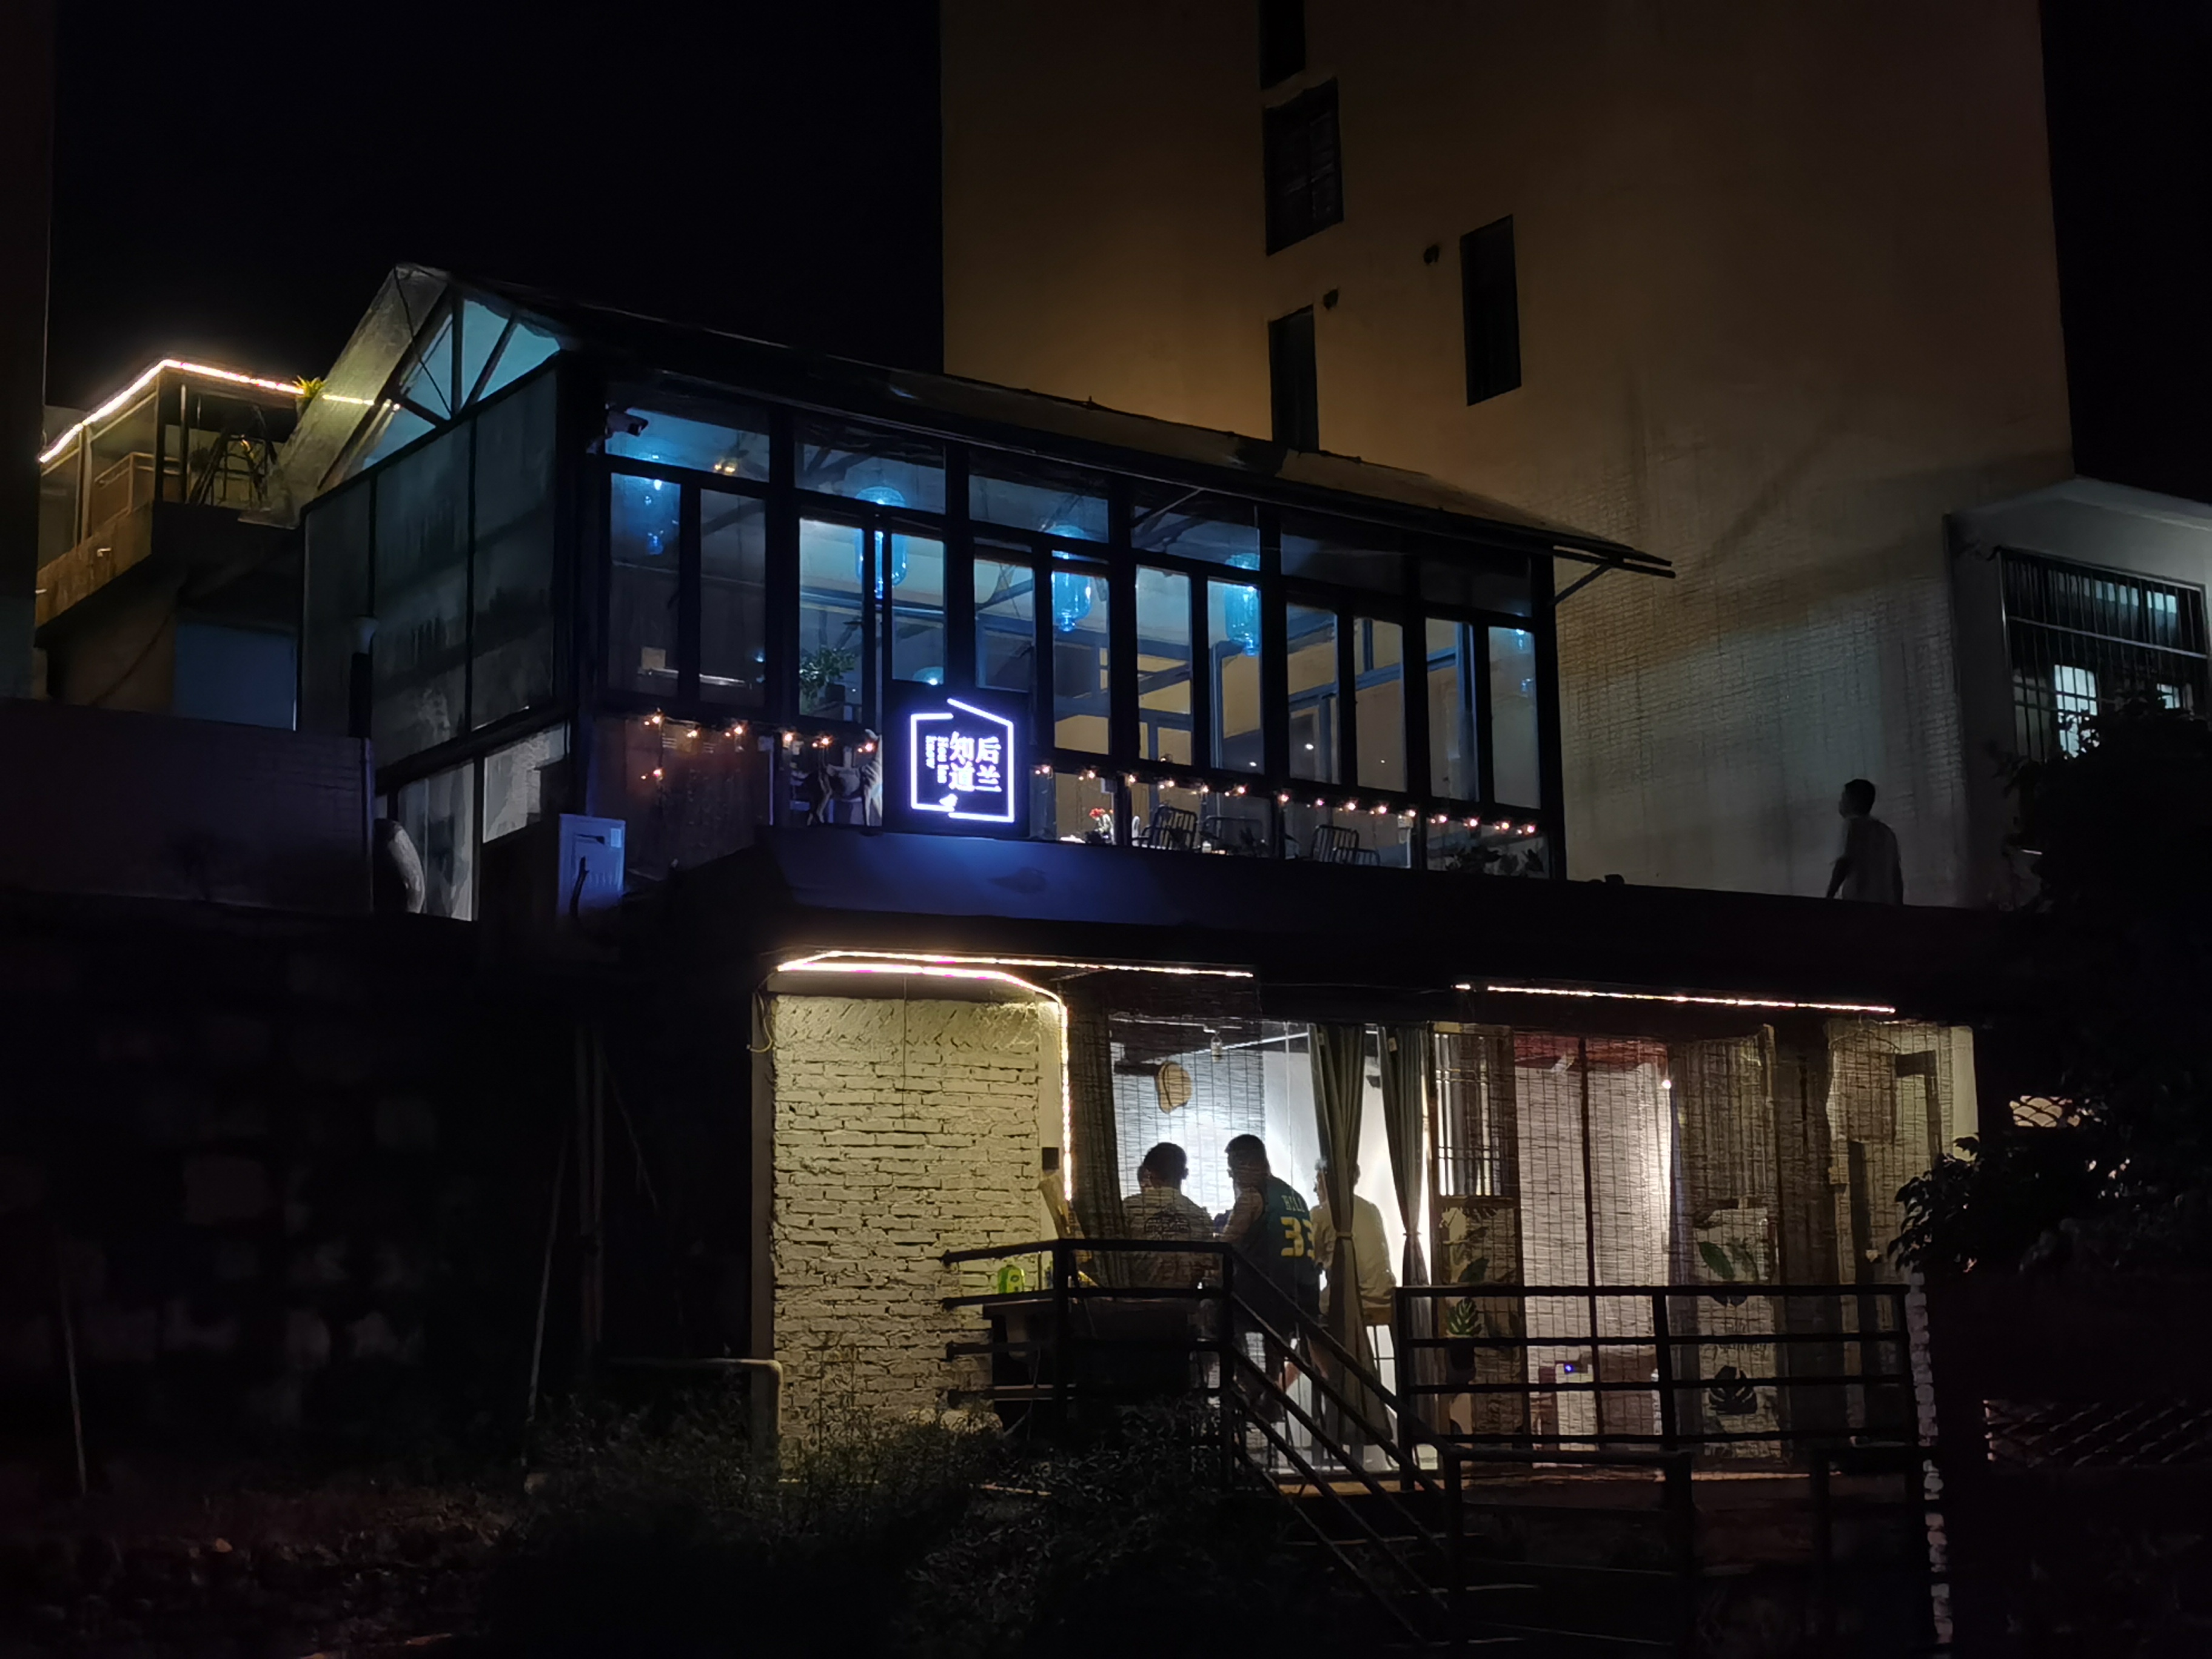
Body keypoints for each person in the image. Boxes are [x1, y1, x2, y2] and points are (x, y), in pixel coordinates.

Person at [1219, 1134, 1321, 1402]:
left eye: (1232, 1168)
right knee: (1275, 1343)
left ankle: (1250, 1389)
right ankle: (1270, 1395)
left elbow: (1225, 1245)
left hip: (1264, 1295)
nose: (1232, 1176)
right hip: (1301, 1297)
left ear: (1246, 1164)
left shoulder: (1253, 1197)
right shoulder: (1294, 1195)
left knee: (1212, 1313)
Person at [1310, 1159, 1398, 1332]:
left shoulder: (1320, 1213)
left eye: (1317, 1181)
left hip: (1350, 1301)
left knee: (1305, 1311)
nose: (1315, 1189)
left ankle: (1324, 1350)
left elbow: (1311, 1259)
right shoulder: (1372, 1209)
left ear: (1324, 1180)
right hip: (1384, 1297)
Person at [1122, 1142, 1214, 1289]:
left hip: (1137, 1297)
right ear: (1185, 1173)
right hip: (1186, 1298)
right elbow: (1207, 1264)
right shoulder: (1201, 1216)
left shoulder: (1128, 1208)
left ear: (1150, 1174)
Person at [1826, 777, 1903, 903]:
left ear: (1852, 802)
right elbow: (1896, 876)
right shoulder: (1887, 832)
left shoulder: (1851, 826)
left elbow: (1843, 864)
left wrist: (1829, 896)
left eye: (1843, 798)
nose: (1840, 803)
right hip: (1886, 904)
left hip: (1858, 902)